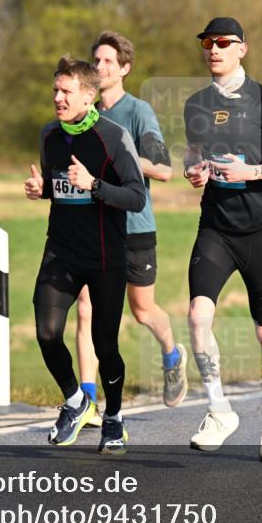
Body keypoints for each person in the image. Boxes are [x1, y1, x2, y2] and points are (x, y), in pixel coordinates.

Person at [182, 17, 262, 462]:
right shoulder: (196, 103)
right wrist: (193, 170)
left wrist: (252, 172)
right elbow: (193, 152)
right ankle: (219, 409)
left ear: (242, 49)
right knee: (198, 317)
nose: (213, 49)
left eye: (223, 42)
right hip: (216, 227)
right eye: (207, 42)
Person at [24, 55, 146, 453]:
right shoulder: (49, 135)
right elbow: (59, 187)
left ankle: (113, 418)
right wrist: (40, 189)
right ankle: (76, 400)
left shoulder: (112, 137)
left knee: (105, 345)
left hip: (106, 255)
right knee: (46, 331)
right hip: (61, 250)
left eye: (66, 91)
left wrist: (95, 185)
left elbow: (135, 196)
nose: (57, 97)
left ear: (89, 96)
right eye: (55, 90)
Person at [75, 31, 188, 428]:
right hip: (94, 228)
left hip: (135, 227)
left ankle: (173, 354)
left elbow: (164, 169)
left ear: (124, 68)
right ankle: (87, 401)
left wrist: (121, 156)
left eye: (107, 61)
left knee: (141, 311)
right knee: (86, 309)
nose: (100, 67)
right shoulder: (83, 114)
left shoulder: (138, 112)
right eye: (96, 60)